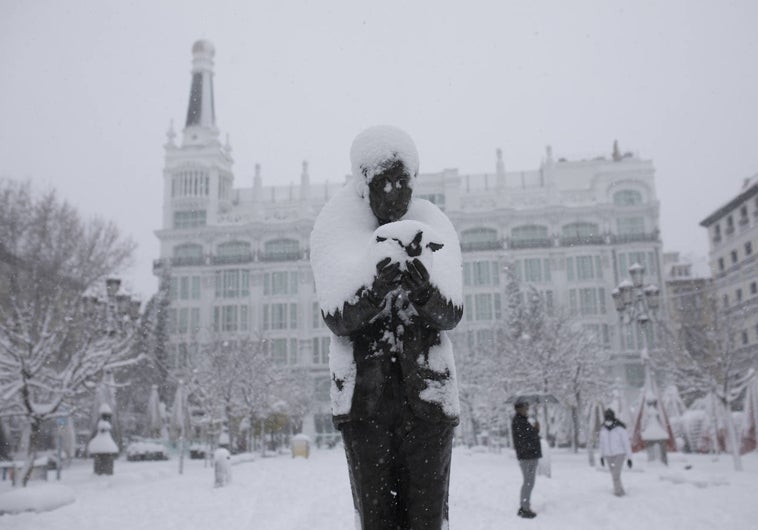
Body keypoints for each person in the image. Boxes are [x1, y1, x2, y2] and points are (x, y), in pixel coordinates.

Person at [310, 125, 463, 530]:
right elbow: (335, 318)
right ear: (365, 185)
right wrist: (374, 290)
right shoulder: (335, 228)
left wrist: (425, 292)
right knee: (377, 520)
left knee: (428, 519)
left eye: (403, 181)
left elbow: (453, 313)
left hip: (428, 403)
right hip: (365, 407)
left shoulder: (435, 224)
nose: (395, 191)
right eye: (384, 182)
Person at [511, 400, 542, 519]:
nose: (527, 410)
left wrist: (534, 430)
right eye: (525, 408)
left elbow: (528, 437)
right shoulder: (519, 421)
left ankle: (525, 506)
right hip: (528, 456)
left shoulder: (521, 421)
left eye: (527, 408)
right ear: (519, 409)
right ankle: (524, 508)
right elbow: (526, 439)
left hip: (529, 456)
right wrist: (536, 430)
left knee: (529, 482)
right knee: (528, 482)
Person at [598, 408, 633, 496]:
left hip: (619, 454)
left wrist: (629, 458)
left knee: (615, 474)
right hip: (608, 455)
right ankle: (621, 490)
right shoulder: (603, 430)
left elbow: (626, 444)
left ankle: (617, 492)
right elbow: (602, 444)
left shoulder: (620, 429)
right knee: (614, 475)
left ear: (613, 418)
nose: (608, 420)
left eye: (609, 418)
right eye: (606, 418)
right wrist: (601, 456)